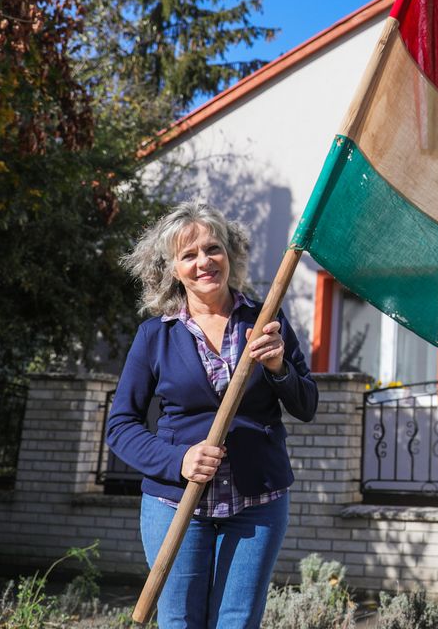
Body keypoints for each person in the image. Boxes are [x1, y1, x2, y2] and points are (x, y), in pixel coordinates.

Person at [107, 202, 319, 629]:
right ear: (171, 269)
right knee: (180, 621)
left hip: (257, 502)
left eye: (213, 248)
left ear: (230, 254)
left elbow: (307, 404)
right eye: (189, 255)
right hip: (174, 502)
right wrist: (178, 460)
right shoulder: (155, 335)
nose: (204, 262)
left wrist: (279, 369)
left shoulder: (265, 320)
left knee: (237, 622)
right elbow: (120, 425)